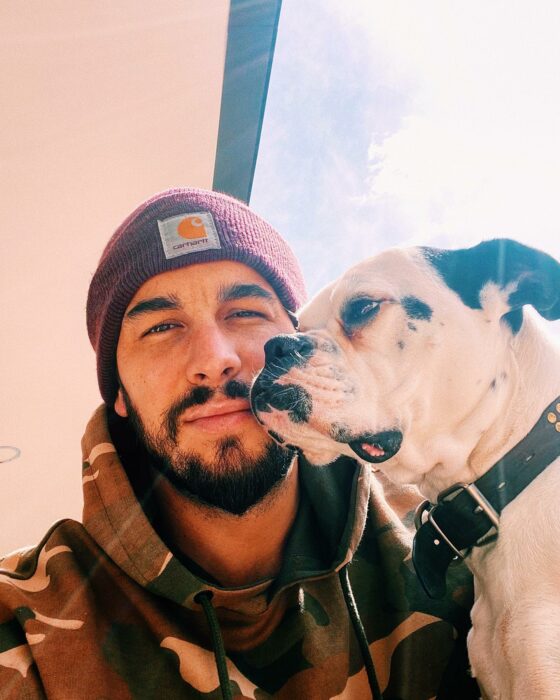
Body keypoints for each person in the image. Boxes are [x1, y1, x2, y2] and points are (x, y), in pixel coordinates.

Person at [0, 188, 478, 699]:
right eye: (162, 326)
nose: (216, 357)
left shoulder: (456, 543)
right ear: (118, 390)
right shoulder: (20, 627)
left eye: (245, 313)